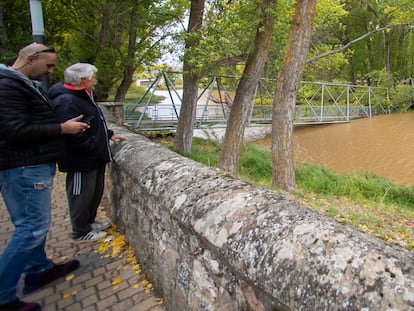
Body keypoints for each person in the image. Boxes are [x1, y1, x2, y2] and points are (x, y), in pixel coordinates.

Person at [0, 44, 90, 311]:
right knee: (31, 228)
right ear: (30, 58)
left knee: (30, 224)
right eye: (48, 65)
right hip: (24, 167)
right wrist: (62, 128)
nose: (51, 71)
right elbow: (14, 129)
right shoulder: (7, 85)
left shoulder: (19, 83)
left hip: (28, 165)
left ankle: (38, 269)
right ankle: (4, 296)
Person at [48, 63, 126, 243]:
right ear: (82, 80)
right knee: (80, 194)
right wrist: (92, 146)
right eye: (93, 78)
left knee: (93, 192)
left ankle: (89, 223)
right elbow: (71, 134)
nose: (96, 81)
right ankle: (80, 231)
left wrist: (108, 135)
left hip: (93, 156)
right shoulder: (66, 101)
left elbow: (92, 123)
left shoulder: (82, 96)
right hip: (80, 160)